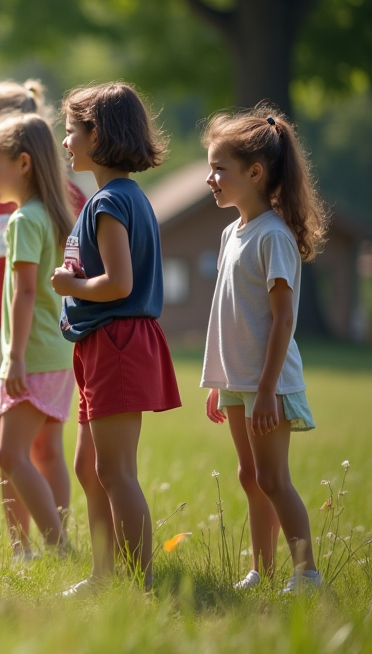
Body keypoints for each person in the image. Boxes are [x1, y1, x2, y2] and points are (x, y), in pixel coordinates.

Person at [51, 83, 180, 593]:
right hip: (101, 342)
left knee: (116, 471)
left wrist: (70, 285)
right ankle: (103, 573)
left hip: (118, 341)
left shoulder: (109, 203)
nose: (65, 143)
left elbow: (119, 284)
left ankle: (140, 584)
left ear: (96, 135)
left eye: (70, 132)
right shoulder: (121, 197)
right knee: (91, 466)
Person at [200, 106, 328, 595]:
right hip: (240, 382)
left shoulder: (273, 236)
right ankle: (262, 570)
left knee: (273, 478)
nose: (210, 178)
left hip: (268, 383)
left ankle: (307, 573)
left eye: (219, 169)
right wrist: (222, 384)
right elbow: (228, 313)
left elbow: (283, 319)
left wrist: (268, 388)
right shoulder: (232, 232)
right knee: (249, 476)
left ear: (254, 172)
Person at [0, 78, 84, 554]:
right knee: (13, 451)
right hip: (36, 346)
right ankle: (27, 545)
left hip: (32, 350)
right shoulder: (19, 207)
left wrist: (13, 356)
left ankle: (55, 544)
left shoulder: (32, 216)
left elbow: (27, 291)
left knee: (17, 452)